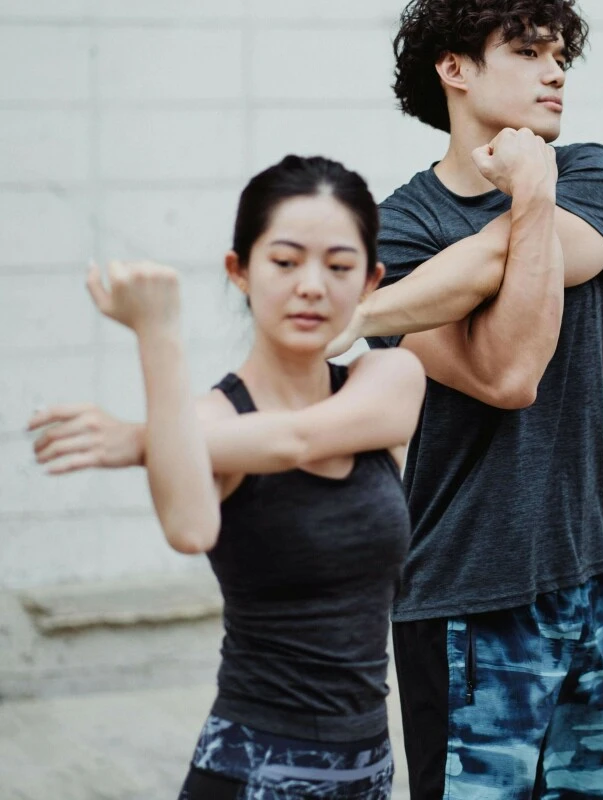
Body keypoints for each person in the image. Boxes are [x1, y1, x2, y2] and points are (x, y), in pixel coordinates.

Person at [29, 155, 428, 800]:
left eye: (339, 265)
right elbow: (189, 529)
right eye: (285, 261)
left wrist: (142, 440)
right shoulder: (206, 418)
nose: (311, 286)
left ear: (371, 281)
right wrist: (158, 335)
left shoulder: (386, 381)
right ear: (239, 271)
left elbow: (300, 437)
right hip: (250, 772)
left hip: (370, 772)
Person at [327, 0, 603, 797]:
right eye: (530, 52)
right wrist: (532, 201)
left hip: (579, 579)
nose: (556, 70)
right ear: (454, 68)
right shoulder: (396, 232)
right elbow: (508, 376)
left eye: (561, 54)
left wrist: (365, 315)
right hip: (461, 592)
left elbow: (502, 260)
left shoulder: (594, 173)